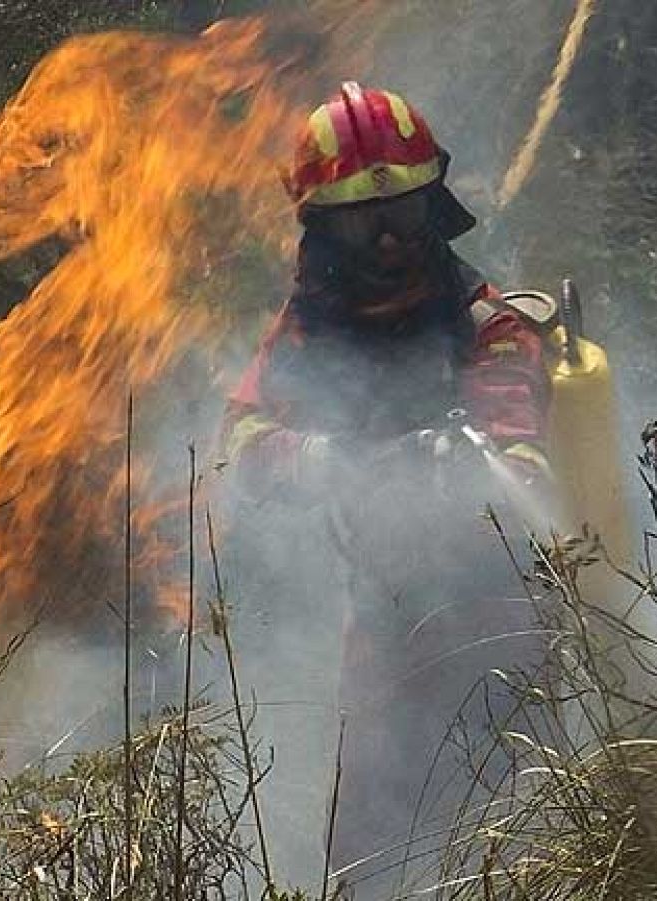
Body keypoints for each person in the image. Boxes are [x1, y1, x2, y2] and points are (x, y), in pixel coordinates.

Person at [219, 82, 553, 896]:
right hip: (385, 616)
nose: (391, 238)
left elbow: (515, 426)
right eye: (364, 220)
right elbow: (240, 439)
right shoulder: (304, 334)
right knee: (369, 851)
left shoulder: (484, 322)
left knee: (526, 829)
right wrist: (314, 458)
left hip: (498, 606)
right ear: (322, 224)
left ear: (432, 204)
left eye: (402, 211)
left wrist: (469, 463)